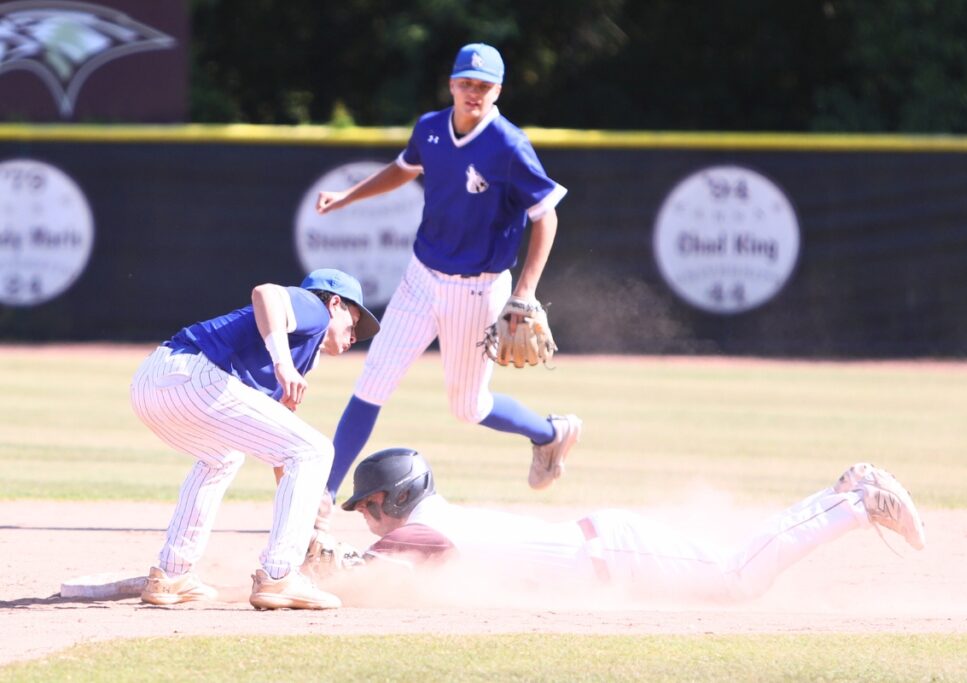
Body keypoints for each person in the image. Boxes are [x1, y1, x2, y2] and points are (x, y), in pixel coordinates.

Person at [314, 42, 581, 511]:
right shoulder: (431, 128)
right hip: (421, 277)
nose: (473, 93)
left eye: (483, 85)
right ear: (452, 84)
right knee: (372, 381)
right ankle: (320, 498)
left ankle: (550, 433)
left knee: (468, 409)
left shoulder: (509, 146)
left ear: (497, 91)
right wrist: (348, 197)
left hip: (477, 290)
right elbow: (403, 169)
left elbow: (546, 215)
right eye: (465, 83)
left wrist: (525, 293)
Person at [332, 449, 925, 603]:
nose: (366, 514)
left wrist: (283, 577)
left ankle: (857, 498)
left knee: (736, 578)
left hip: (615, 552)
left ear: (401, 496)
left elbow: (374, 571)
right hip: (610, 560)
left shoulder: (427, 526)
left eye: (370, 503)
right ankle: (845, 497)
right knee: (727, 593)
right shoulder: (430, 527)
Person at [130, 268, 380, 610]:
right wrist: (283, 365)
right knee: (317, 450)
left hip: (152, 383)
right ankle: (279, 578)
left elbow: (283, 454)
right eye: (353, 324)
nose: (354, 337)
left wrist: (305, 531)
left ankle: (171, 576)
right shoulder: (315, 310)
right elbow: (266, 293)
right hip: (195, 375)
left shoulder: (302, 355)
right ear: (335, 302)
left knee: (222, 459)